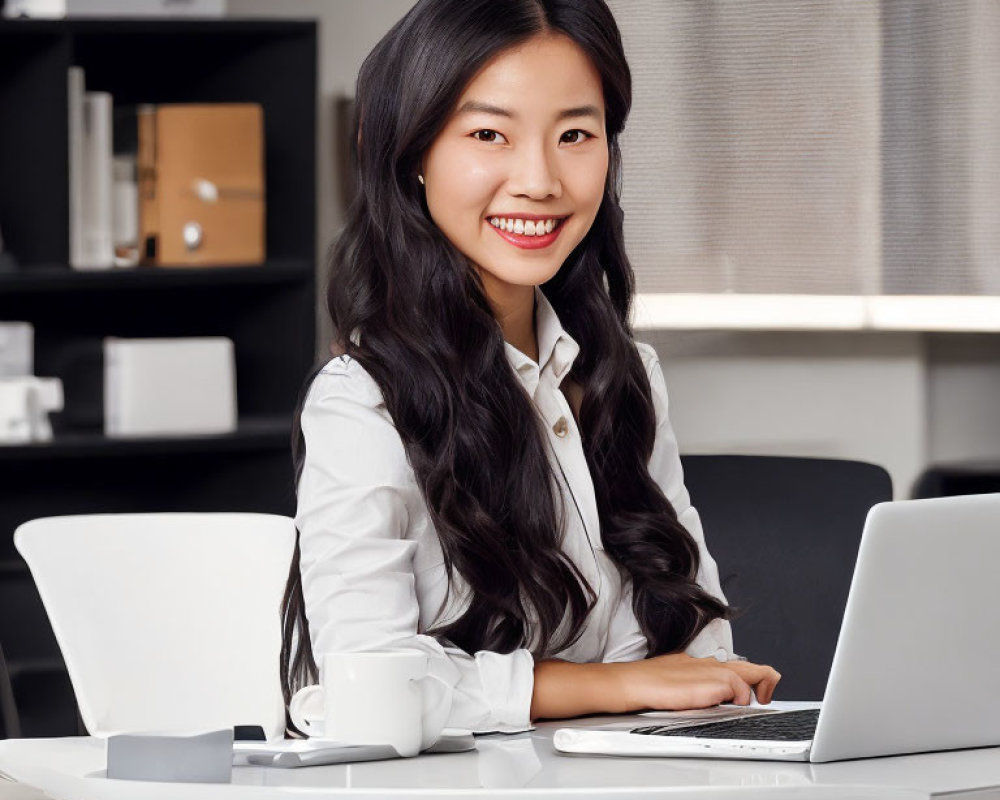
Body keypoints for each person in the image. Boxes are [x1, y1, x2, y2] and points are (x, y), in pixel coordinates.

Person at [280, 0, 781, 746]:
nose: (540, 180)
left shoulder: (623, 376)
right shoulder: (363, 399)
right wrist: (606, 685)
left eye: (575, 135)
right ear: (412, 151)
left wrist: (709, 685)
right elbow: (360, 687)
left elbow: (698, 652)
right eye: (490, 134)